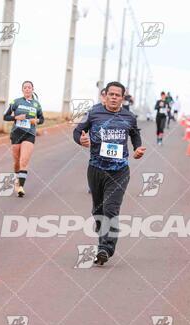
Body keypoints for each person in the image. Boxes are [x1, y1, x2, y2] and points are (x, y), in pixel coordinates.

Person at [73, 81, 146, 266]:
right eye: (111, 94)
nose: (114, 97)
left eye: (117, 95)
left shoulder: (129, 117)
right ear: (105, 95)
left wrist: (137, 149)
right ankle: (102, 244)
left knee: (110, 209)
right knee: (98, 211)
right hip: (96, 169)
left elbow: (135, 135)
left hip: (119, 171)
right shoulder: (94, 113)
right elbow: (78, 131)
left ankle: (106, 248)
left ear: (122, 98)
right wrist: (80, 140)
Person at [3, 81, 45, 197]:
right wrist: (16, 117)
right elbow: (5, 116)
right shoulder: (16, 102)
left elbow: (42, 119)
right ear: (22, 90)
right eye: (25, 87)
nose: (27, 89)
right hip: (16, 134)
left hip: (29, 134)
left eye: (29, 87)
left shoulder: (36, 104)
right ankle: (17, 179)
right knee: (17, 162)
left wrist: (35, 121)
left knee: (24, 161)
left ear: (32, 89)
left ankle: (20, 187)